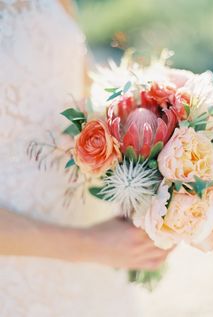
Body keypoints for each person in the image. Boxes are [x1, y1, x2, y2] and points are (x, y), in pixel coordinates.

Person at [0, 1, 172, 315]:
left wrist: (151, 152)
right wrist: (89, 245)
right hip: (18, 270)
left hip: (99, 238)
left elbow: (80, 88)